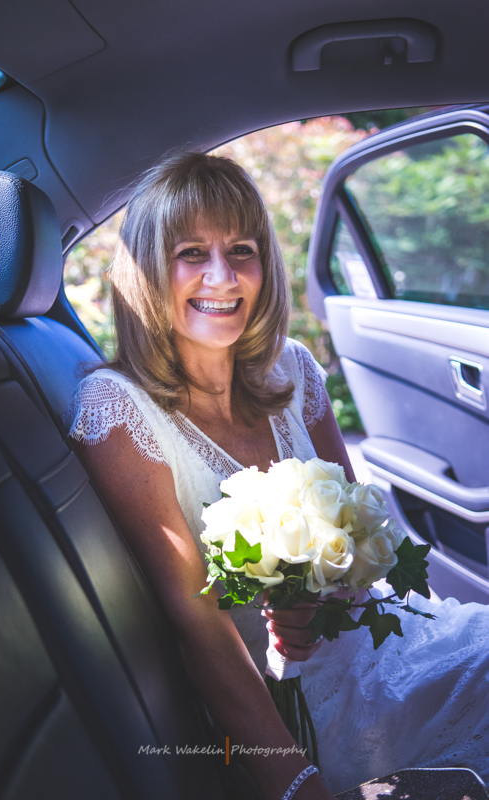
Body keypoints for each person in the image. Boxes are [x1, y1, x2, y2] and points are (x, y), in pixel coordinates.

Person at [64, 151, 489, 798]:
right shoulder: (118, 408)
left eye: (241, 250)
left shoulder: (294, 370)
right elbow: (195, 616)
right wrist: (290, 779)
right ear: (149, 271)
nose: (222, 276)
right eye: (190, 253)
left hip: (378, 633)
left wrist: (331, 600)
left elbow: (362, 540)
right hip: (286, 695)